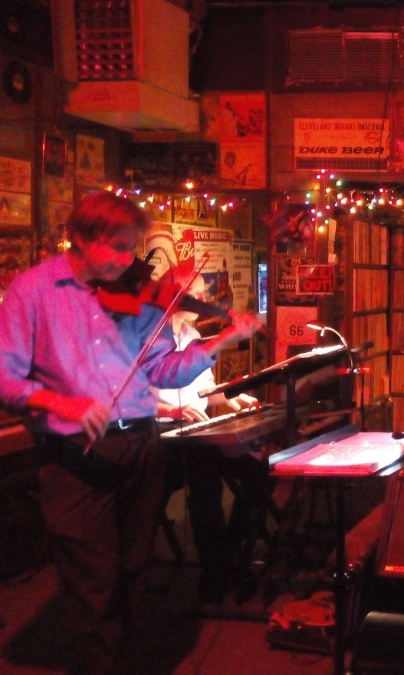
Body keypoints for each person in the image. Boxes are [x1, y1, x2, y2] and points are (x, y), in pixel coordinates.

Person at [0, 190, 263, 675]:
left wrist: (225, 338)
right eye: (118, 248)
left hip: (141, 443)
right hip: (76, 452)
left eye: (132, 249)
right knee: (93, 579)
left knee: (135, 567)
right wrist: (61, 402)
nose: (128, 261)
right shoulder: (32, 291)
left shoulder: (135, 296)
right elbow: (5, 377)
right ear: (80, 238)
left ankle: (122, 658)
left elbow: (163, 370)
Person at [154, 272, 260, 604]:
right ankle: (216, 573)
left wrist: (232, 397)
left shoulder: (193, 334)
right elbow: (129, 396)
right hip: (160, 435)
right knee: (206, 480)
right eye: (195, 293)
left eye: (203, 293)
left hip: (194, 430)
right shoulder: (148, 335)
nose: (203, 301)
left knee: (257, 474)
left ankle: (230, 556)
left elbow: (205, 390)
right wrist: (172, 410)